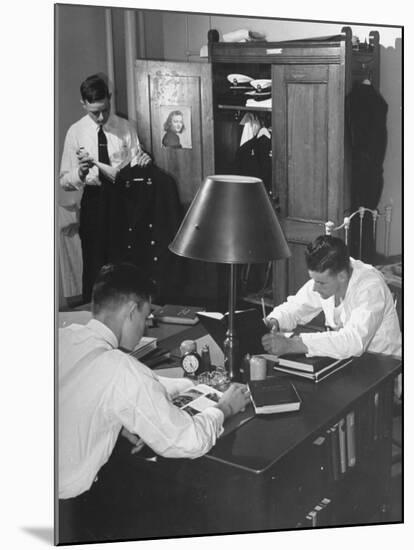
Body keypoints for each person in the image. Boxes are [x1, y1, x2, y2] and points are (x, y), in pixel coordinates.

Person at [58, 263, 250, 541]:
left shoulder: (63, 337)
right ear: (132, 310)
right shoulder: (121, 370)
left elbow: (96, 388)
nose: (146, 324)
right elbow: (188, 440)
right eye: (146, 315)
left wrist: (188, 385)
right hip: (68, 513)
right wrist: (225, 408)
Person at [59, 73, 151, 303]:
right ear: (83, 104)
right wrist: (79, 173)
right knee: (94, 263)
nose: (100, 117)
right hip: (94, 200)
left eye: (105, 110)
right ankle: (93, 317)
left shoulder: (125, 128)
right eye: (94, 112)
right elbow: (64, 180)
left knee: (123, 262)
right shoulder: (76, 132)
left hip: (123, 201)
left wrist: (141, 164)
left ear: (110, 99)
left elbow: (136, 163)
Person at [262, 235, 401, 360]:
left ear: (342, 276)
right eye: (313, 280)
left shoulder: (370, 287)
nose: (315, 288)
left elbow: (354, 341)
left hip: (384, 368)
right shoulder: (329, 277)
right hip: (349, 364)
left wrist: (293, 344)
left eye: (321, 282)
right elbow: (296, 307)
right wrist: (274, 321)